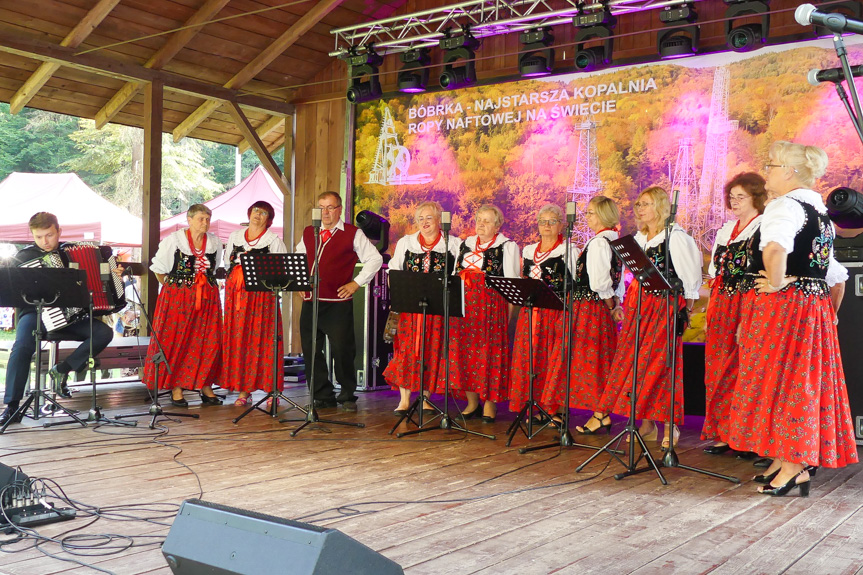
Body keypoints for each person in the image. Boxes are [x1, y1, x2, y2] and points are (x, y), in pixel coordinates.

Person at [727, 141, 858, 496]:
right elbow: (837, 278)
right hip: (811, 308)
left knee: (783, 382)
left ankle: (793, 464)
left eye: (771, 165)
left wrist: (775, 282)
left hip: (783, 309)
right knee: (796, 382)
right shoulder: (820, 215)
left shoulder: (784, 205)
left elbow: (774, 248)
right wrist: (827, 317)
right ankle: (784, 458)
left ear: (790, 172)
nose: (767, 172)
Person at [598, 187, 702, 449]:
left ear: (660, 206)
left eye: (646, 204)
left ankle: (670, 423)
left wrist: (685, 311)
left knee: (663, 365)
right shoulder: (639, 239)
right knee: (637, 364)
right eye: (638, 204)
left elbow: (690, 280)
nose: (640, 209)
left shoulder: (675, 237)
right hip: (639, 304)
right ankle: (645, 422)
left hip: (664, 305)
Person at [0, 212, 114, 426]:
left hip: (71, 316)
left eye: (49, 235)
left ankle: (63, 369)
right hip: (34, 313)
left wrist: (110, 275)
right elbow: (11, 291)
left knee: (104, 333)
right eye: (39, 237)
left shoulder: (72, 253)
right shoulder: (23, 257)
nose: (44, 242)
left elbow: (96, 282)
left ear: (59, 231)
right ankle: (12, 406)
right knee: (22, 346)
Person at [543, 196, 624, 434]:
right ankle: (601, 413)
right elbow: (613, 281)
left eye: (591, 213)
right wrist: (615, 304)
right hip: (596, 307)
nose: (587, 217)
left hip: (589, 308)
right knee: (597, 359)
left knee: (588, 360)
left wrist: (611, 305)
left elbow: (600, 282)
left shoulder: (600, 242)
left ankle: (600, 414)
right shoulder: (614, 240)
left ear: (603, 215)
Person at [296, 191, 383, 412]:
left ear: (339, 209)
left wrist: (356, 283)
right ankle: (321, 394)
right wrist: (299, 283)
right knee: (311, 350)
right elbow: (298, 256)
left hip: (337, 301)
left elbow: (375, 259)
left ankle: (346, 394)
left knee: (342, 350)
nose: (325, 212)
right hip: (311, 301)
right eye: (322, 207)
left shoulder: (352, 234)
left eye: (330, 207)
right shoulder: (310, 232)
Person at [701, 173, 767, 455]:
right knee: (717, 369)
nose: (735, 202)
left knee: (744, 370)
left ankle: (746, 436)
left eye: (741, 197)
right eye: (732, 197)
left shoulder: (763, 227)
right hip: (721, 303)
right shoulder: (726, 230)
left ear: (756, 198)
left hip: (746, 303)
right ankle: (723, 431)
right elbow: (716, 273)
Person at [383, 201, 461, 414]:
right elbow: (394, 271)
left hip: (436, 308)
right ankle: (405, 399)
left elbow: (457, 276)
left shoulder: (452, 244)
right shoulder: (406, 242)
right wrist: (398, 299)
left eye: (429, 218)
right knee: (407, 350)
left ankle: (425, 397)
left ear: (438, 220)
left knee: (431, 349)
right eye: (420, 219)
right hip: (410, 306)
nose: (424, 223)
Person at [143, 204, 223, 407]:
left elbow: (214, 269)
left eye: (207, 219)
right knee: (178, 340)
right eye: (200, 219)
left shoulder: (214, 242)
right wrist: (176, 290)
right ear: (189, 220)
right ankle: (176, 387)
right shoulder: (174, 240)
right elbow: (159, 269)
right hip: (178, 300)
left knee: (207, 340)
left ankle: (205, 384)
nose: (204, 223)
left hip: (207, 298)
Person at [449, 204, 520, 423]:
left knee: (489, 354)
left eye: (487, 220)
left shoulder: (507, 246)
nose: (481, 224)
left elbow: (511, 284)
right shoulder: (466, 243)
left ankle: (490, 402)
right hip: (464, 307)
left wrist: (507, 317)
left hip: (491, 307)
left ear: (498, 225)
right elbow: (455, 274)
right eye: (479, 219)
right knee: (466, 352)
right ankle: (472, 402)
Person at [508, 204, 577, 420]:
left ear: (561, 225)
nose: (546, 225)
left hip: (556, 312)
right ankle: (534, 405)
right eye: (542, 221)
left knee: (552, 358)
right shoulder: (528, 251)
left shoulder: (568, 251)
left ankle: (554, 409)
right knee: (531, 357)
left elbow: (574, 284)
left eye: (552, 221)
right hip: (530, 313)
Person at [222, 201, 288, 407]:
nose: (258, 215)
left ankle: (271, 390)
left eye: (264, 213)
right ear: (250, 213)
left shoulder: (274, 240)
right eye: (256, 211)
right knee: (240, 341)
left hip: (262, 298)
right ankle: (244, 390)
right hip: (237, 297)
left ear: (269, 220)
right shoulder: (234, 237)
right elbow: (227, 264)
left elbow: (282, 271)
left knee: (265, 340)